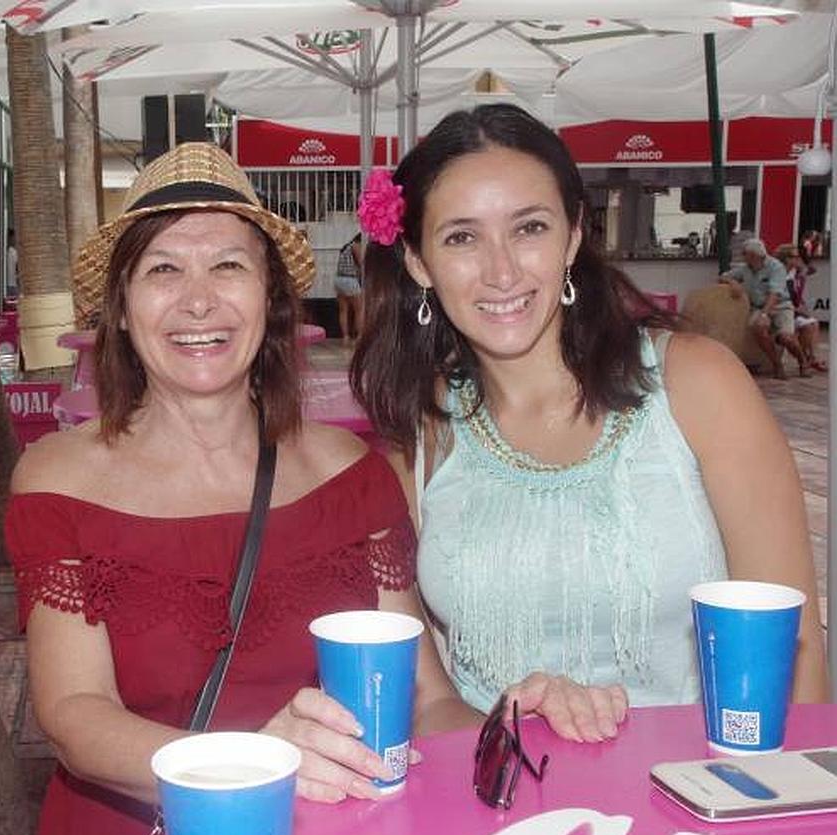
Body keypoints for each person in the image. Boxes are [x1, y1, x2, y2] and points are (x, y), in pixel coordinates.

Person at [7, 143, 477, 835]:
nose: (199, 301)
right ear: (122, 310)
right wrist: (244, 766)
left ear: (271, 300)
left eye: (228, 266)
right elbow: (72, 715)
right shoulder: (59, 478)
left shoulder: (349, 474)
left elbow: (424, 696)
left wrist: (513, 738)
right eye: (164, 269)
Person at [351, 103, 828, 744]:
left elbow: (794, 648)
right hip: (501, 811)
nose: (502, 271)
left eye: (530, 228)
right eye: (461, 237)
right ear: (418, 262)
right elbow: (426, 700)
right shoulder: (420, 436)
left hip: (706, 794)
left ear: (574, 234)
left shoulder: (696, 385)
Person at [720, 237, 809, 378]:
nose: (743, 256)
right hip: (758, 307)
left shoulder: (776, 267)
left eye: (745, 254)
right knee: (757, 328)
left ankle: (802, 361)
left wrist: (765, 315)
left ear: (754, 255)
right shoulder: (745, 269)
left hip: (780, 306)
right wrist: (732, 282)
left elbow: (775, 294)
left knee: (786, 338)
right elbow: (722, 277)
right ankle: (776, 364)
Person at [777, 242, 827, 373]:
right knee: (805, 323)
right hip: (782, 310)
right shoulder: (780, 275)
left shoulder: (796, 273)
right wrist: (798, 309)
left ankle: (810, 357)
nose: (798, 258)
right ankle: (806, 358)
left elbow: (811, 269)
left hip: (793, 310)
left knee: (812, 324)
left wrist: (803, 265)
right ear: (786, 258)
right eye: (795, 256)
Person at [334, 232, 365, 343]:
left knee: (343, 310)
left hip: (338, 279)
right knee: (359, 310)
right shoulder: (356, 246)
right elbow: (362, 264)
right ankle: (360, 337)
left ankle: (345, 337)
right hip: (350, 280)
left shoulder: (346, 247)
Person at [6, 228, 20, 300]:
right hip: (3, 285)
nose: (14, 240)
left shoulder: (14, 252)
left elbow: (18, 267)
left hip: (13, 283)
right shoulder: (0, 251)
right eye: (13, 238)